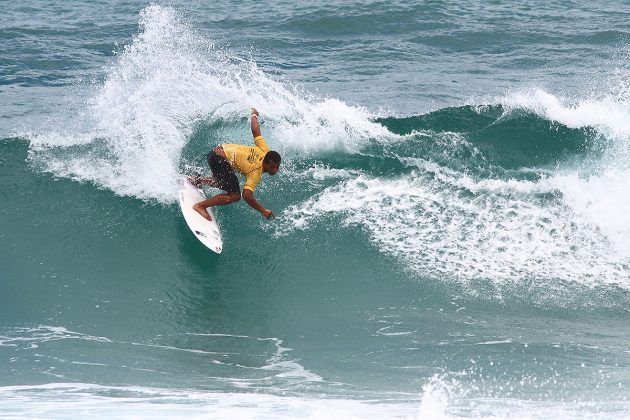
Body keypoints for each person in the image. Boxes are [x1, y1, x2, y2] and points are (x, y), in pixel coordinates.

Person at [188, 108, 281, 221]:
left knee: (227, 182)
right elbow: (247, 195)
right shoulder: (256, 172)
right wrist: (263, 211)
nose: (275, 170)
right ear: (265, 163)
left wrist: (254, 116)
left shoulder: (264, 149)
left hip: (216, 152)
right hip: (220, 159)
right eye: (272, 167)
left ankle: (197, 180)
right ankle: (200, 206)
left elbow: (255, 131)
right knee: (235, 196)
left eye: (277, 167)